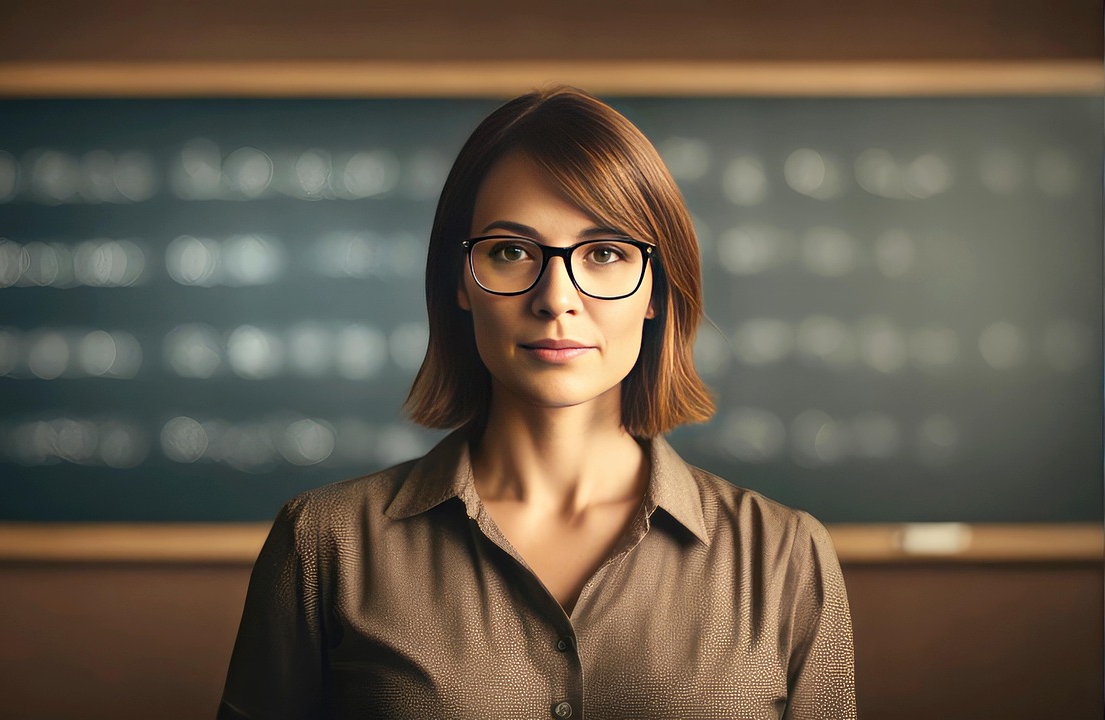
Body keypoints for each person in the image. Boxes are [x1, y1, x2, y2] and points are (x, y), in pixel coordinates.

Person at [218, 86, 857, 720]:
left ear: (656, 290)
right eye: (511, 251)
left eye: (605, 253)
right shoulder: (325, 542)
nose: (556, 298)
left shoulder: (784, 554)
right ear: (461, 282)